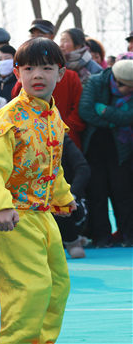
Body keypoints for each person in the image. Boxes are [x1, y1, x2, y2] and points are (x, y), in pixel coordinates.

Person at [0, 37, 76, 344]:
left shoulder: (52, 116)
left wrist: (64, 197)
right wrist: (1, 205)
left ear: (60, 73)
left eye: (46, 68)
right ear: (17, 73)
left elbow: (52, 164)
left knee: (58, 285)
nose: (38, 75)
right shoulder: (8, 118)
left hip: (42, 216)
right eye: (29, 68)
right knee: (29, 289)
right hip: (13, 218)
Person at [78, 59, 133, 247]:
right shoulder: (95, 82)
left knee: (123, 192)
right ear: (117, 82)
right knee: (97, 193)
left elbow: (130, 117)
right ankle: (102, 237)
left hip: (122, 149)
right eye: (129, 88)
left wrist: (105, 111)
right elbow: (85, 111)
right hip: (94, 147)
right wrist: (113, 122)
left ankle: (128, 236)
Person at [55, 134, 90, 258]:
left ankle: (72, 241)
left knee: (62, 204)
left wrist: (70, 196)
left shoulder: (61, 139)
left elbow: (83, 168)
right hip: (29, 200)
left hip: (64, 200)